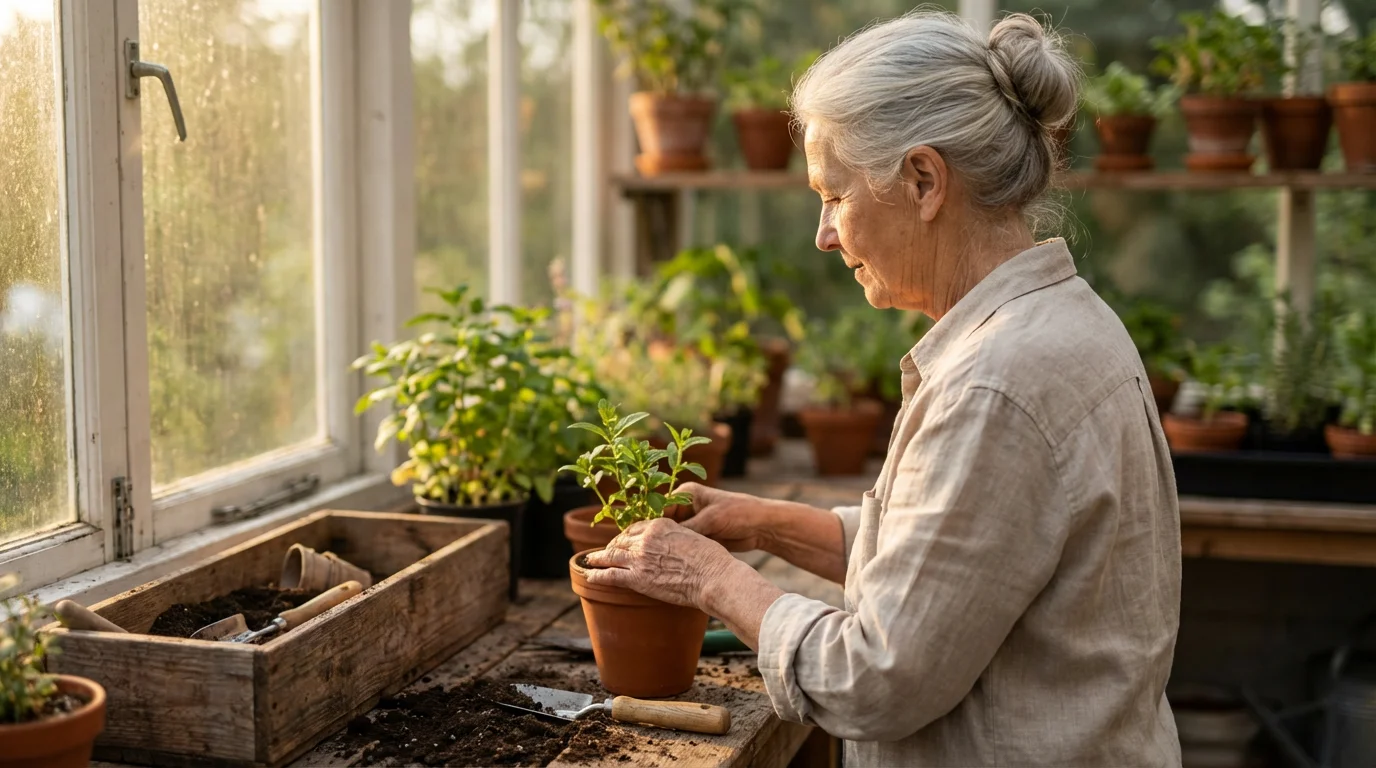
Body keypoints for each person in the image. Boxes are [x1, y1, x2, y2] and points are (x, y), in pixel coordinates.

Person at [584, 10, 1183, 767]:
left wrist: (710, 577)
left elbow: (874, 679)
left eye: (833, 195)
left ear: (924, 181)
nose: (823, 234)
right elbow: (964, 562)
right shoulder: (1062, 323)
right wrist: (765, 523)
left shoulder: (996, 385)